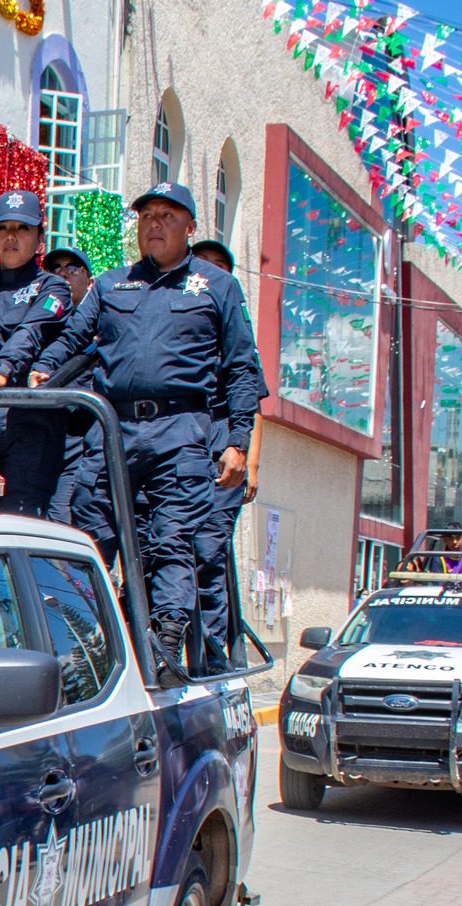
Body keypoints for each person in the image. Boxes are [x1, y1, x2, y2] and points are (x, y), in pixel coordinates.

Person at [33, 181, 267, 673]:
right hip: (112, 429)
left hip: (180, 431)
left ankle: (162, 648)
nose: (154, 224)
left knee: (170, 541)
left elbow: (242, 368)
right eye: (146, 216)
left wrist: (239, 442)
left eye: (166, 215)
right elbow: (75, 338)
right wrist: (44, 367)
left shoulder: (216, 286)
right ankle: (89, 645)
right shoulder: (113, 284)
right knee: (90, 537)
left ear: (190, 227)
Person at [0, 191, 75, 518]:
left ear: (40, 237)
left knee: (21, 522)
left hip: (28, 422)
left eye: (22, 229)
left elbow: (31, 332)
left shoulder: (53, 287)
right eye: (3, 228)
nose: (11, 236)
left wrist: (2, 370)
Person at [186, 239, 263, 672]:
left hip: (223, 455)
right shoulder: (179, 320)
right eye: (204, 264)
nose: (210, 274)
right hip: (182, 451)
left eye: (220, 268)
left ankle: (211, 656)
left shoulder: (236, 331)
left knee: (208, 556)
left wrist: (250, 462)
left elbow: (253, 400)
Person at [38, 248, 119, 567]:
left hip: (82, 442)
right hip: (41, 437)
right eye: (55, 267)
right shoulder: (43, 319)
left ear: (91, 280)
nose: (63, 272)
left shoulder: (104, 323)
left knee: (66, 523)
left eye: (72, 267)